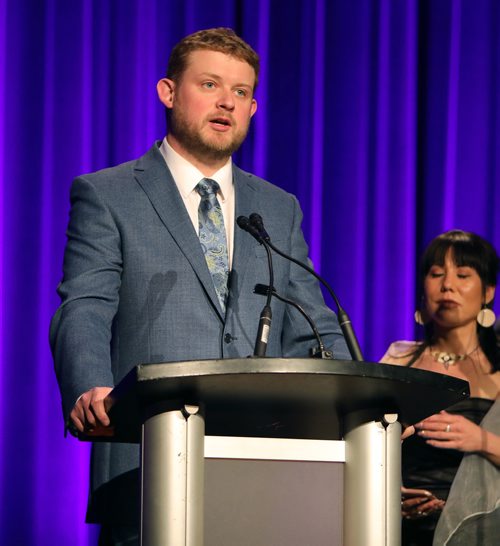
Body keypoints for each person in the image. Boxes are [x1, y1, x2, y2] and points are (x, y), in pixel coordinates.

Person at [49, 27, 350, 544]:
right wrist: (89, 389)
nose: (226, 103)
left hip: (264, 467)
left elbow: (310, 320)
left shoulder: (277, 207)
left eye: (240, 92)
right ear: (168, 92)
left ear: (253, 109)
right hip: (146, 462)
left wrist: (362, 401)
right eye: (210, 85)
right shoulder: (109, 194)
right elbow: (85, 306)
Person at [380, 230, 500, 546]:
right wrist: (390, 493)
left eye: (463, 275)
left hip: (479, 528)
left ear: (488, 292)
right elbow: (363, 443)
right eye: (436, 274)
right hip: (400, 526)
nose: (447, 285)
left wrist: (482, 439)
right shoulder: (397, 358)